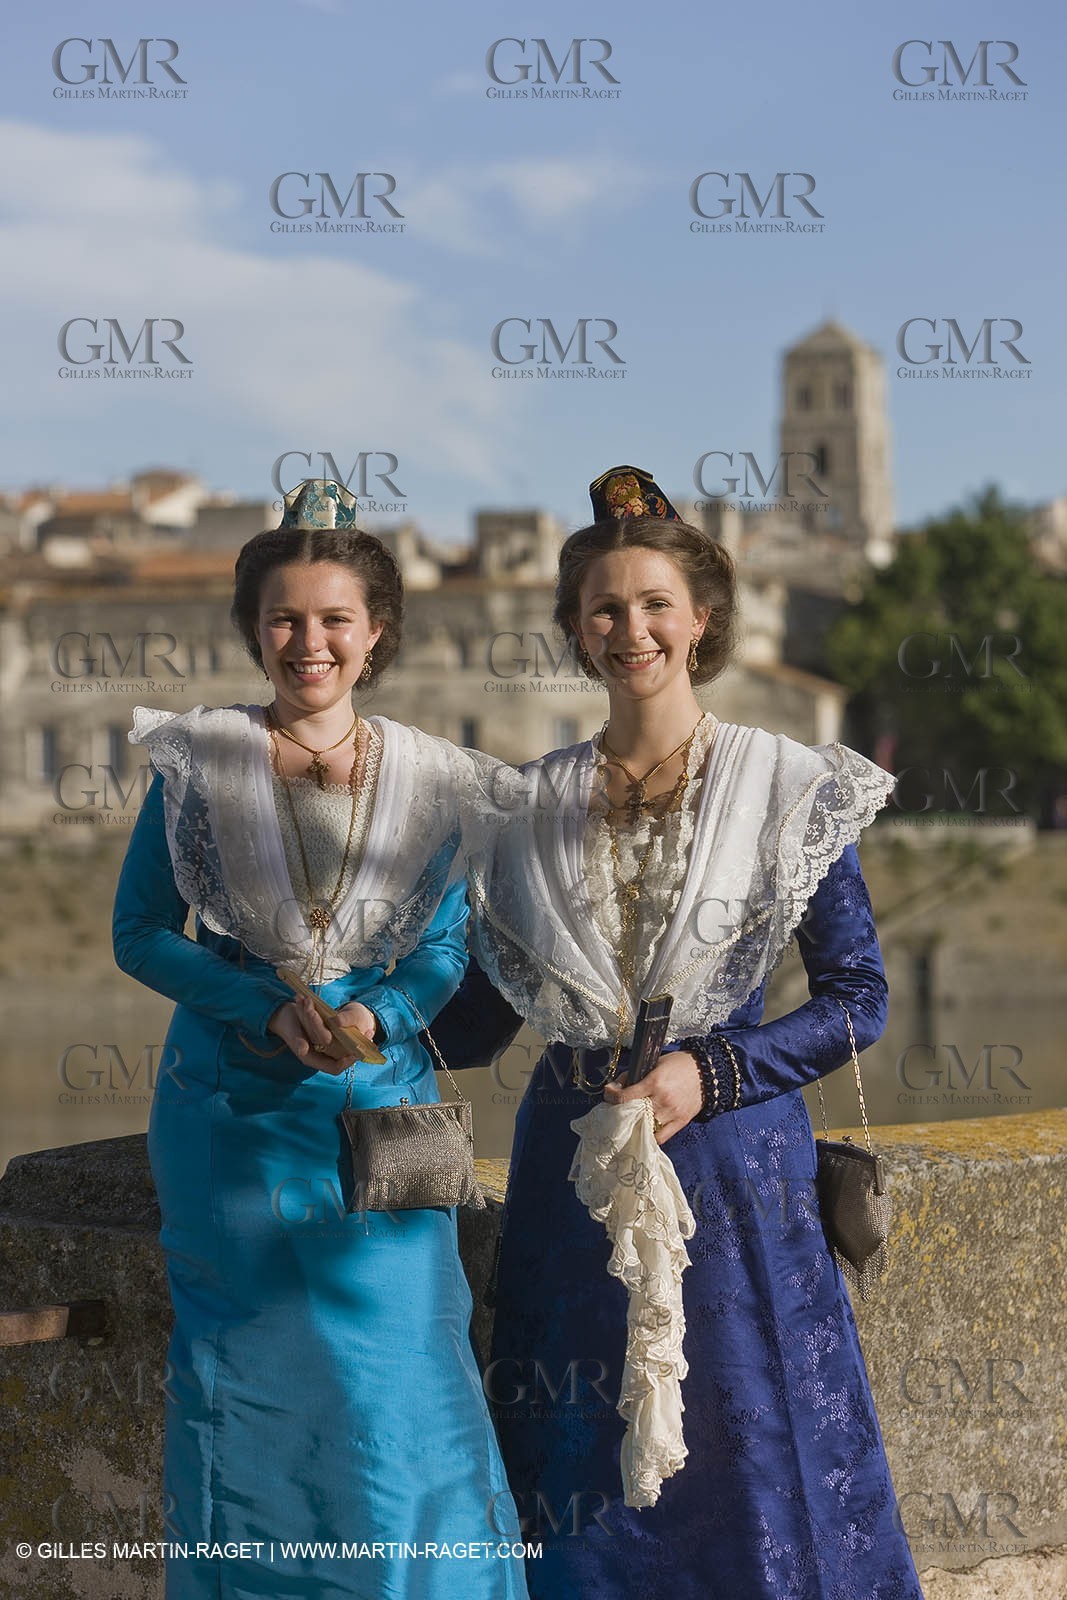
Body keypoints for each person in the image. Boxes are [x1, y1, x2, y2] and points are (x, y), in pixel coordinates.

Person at [434, 467, 925, 1599]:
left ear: (701, 618)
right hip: (571, 1193)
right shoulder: (525, 806)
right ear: (571, 629)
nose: (628, 628)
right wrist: (353, 1009)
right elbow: (478, 1017)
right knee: (579, 1475)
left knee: (745, 1464)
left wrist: (710, 1069)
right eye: (602, 608)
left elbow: (857, 998)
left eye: (653, 603)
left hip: (735, 1177)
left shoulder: (784, 786)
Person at [111, 479, 529, 1600]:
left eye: (333, 618)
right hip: (228, 1121)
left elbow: (447, 950)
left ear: (376, 631)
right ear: (255, 628)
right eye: (285, 618)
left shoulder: (436, 778)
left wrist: (375, 1013)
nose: (309, 642)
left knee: (403, 1378)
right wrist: (257, 1002)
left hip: (375, 1113)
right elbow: (139, 933)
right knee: (244, 1384)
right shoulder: (197, 761)